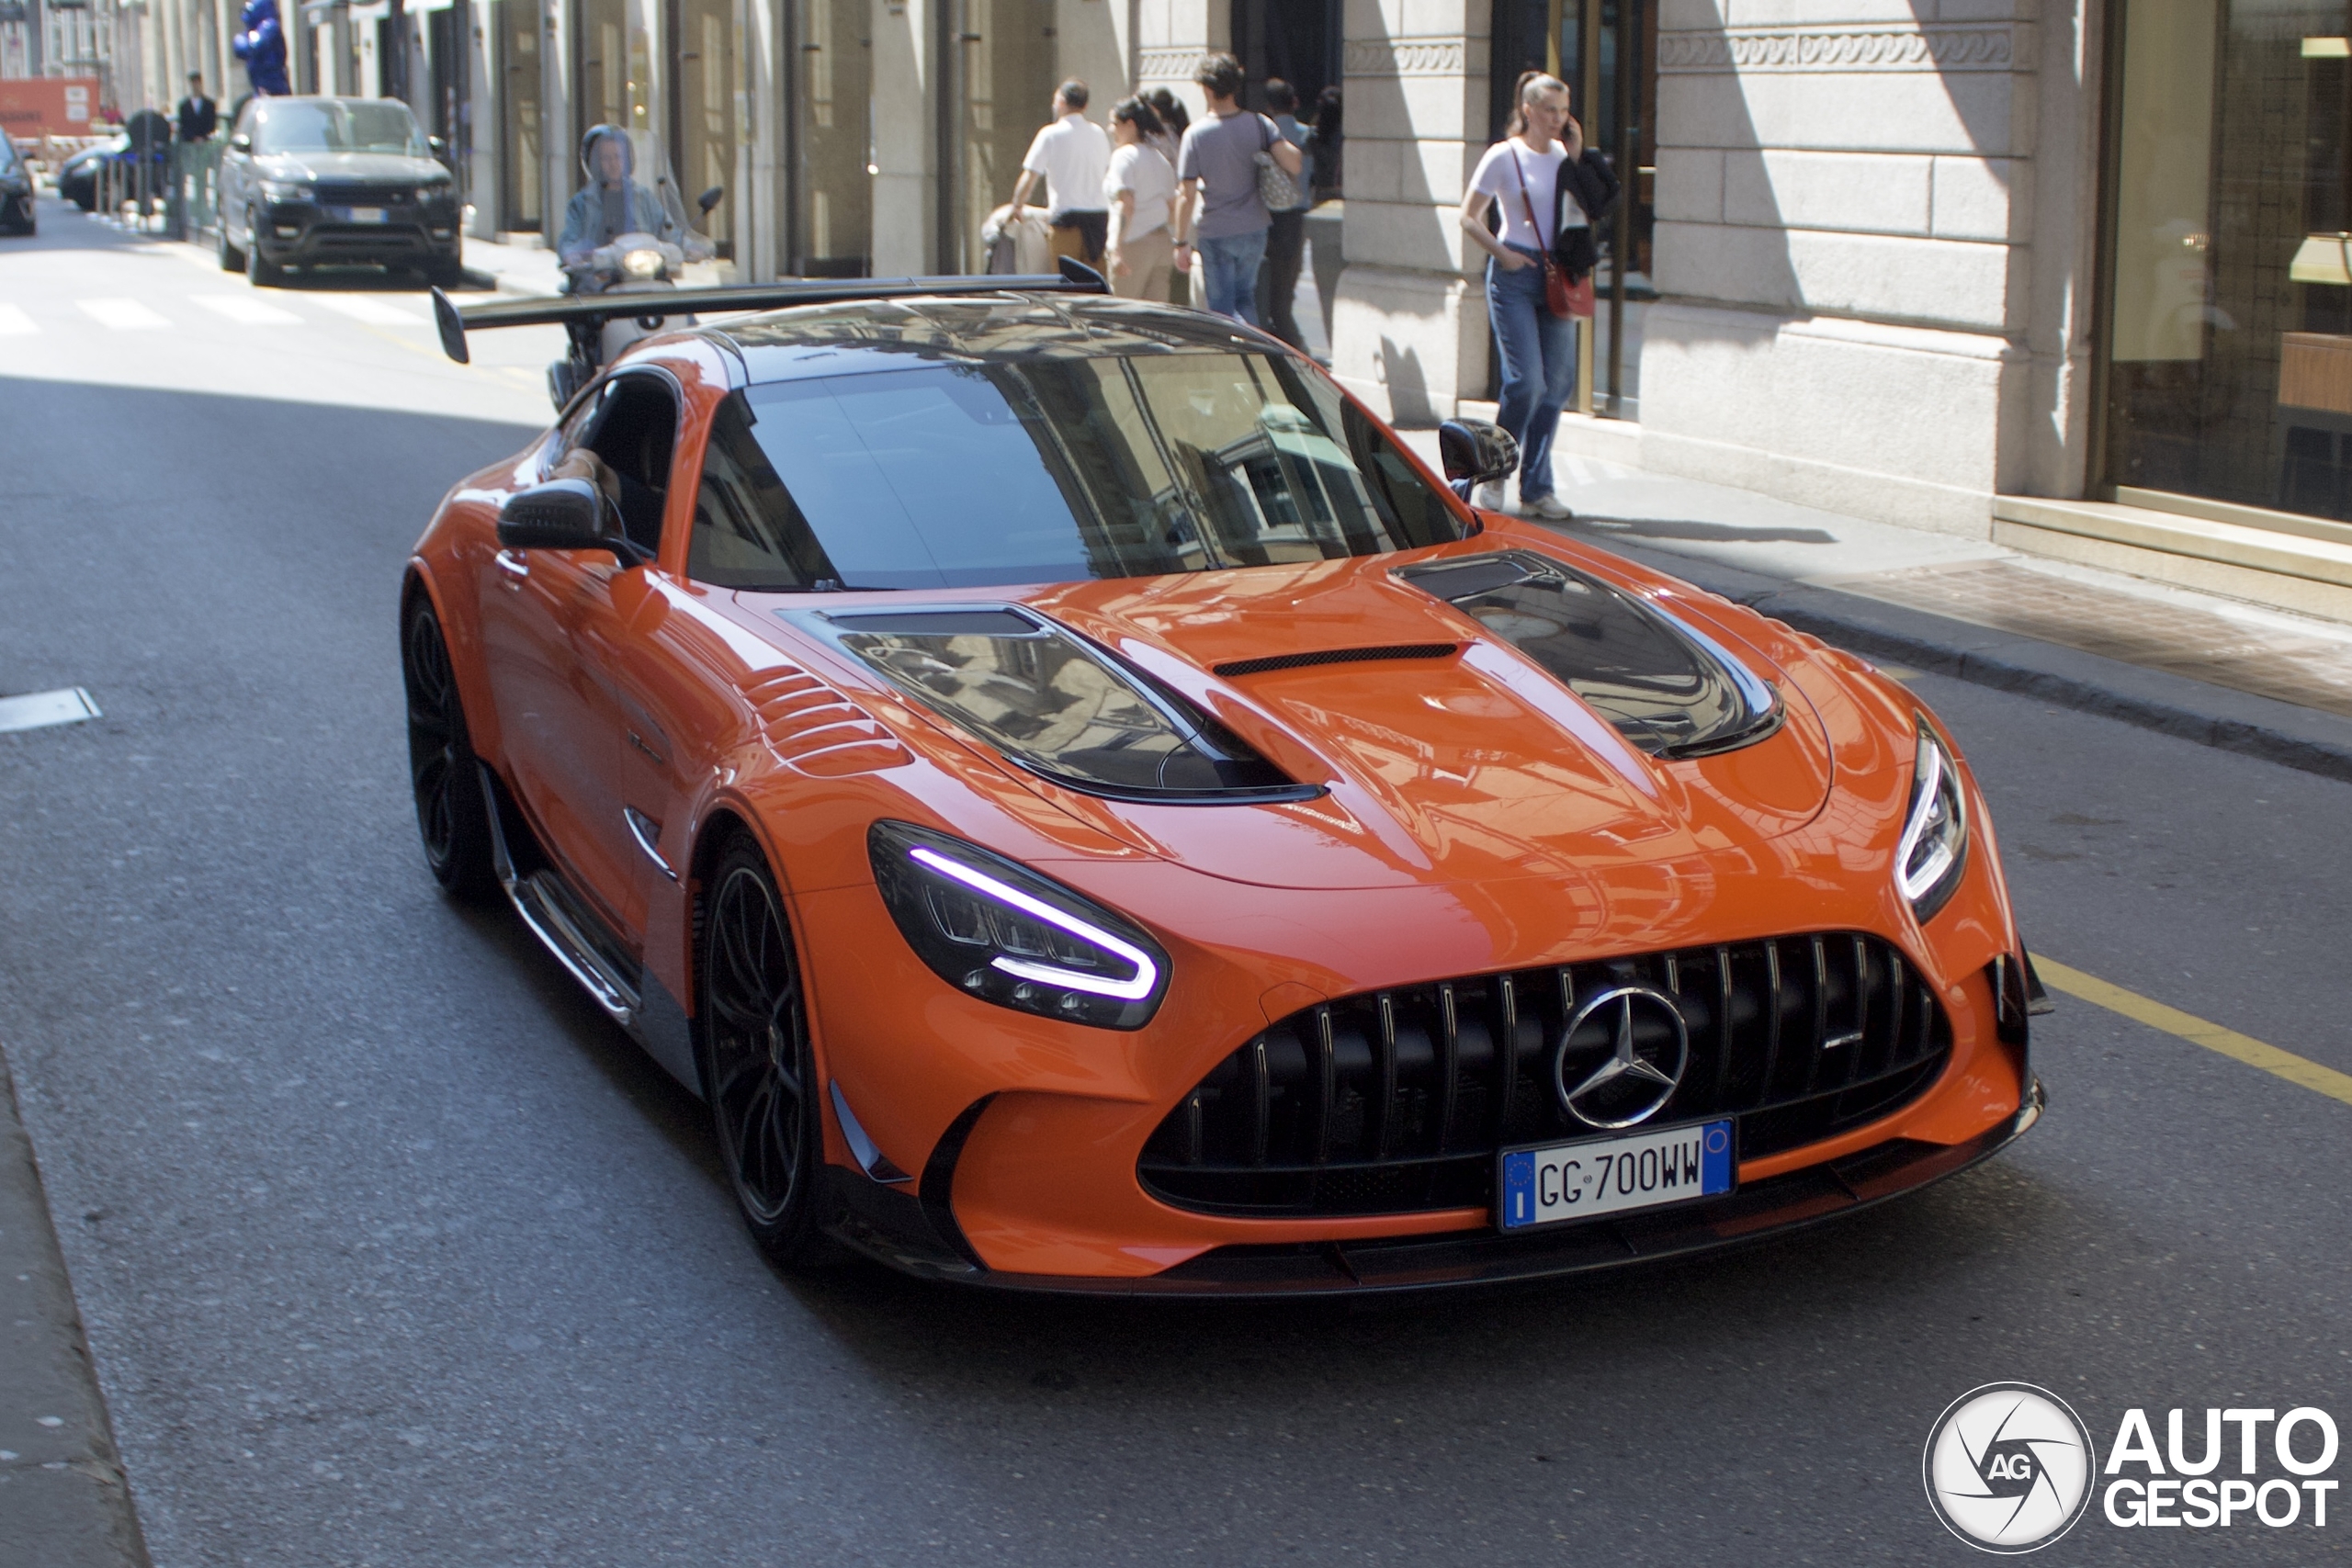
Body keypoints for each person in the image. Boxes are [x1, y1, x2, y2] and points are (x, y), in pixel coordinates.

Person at [1457, 72, 1611, 520]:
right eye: (1548, 110)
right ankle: (1494, 469)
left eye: (1563, 111)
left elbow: (1592, 207)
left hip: (1559, 273)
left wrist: (1579, 154)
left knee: (1557, 385)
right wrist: (1502, 254)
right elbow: (1468, 217)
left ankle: (1538, 487)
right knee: (1527, 381)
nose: (1557, 119)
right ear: (1527, 110)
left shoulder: (1566, 155)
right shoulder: (1504, 156)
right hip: (1515, 273)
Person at [1171, 52, 1301, 325]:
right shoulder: (1260, 123)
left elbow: (1187, 194)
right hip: (1254, 227)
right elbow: (1295, 164)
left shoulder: (1195, 135)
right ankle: (1251, 352)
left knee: (1221, 309)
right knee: (1245, 298)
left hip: (1216, 230)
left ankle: (1232, 359)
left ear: (1206, 88)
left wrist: (1181, 241)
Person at [557, 126, 700, 292]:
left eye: (618, 156)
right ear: (594, 162)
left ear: (628, 159)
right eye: (605, 158)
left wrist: (690, 246)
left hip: (645, 277)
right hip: (599, 284)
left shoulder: (643, 197)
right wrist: (573, 255)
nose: (613, 164)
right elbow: (569, 241)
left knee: (684, 314)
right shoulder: (581, 203)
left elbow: (667, 229)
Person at [1009, 79, 1111, 268]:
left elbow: (1030, 176)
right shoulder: (1099, 133)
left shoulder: (1050, 134)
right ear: (1085, 105)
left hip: (1066, 219)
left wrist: (1017, 205)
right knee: (1095, 283)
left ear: (1062, 102)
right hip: (1098, 219)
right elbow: (1105, 172)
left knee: (1066, 282)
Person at [1253, 78, 1311, 349]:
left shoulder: (1264, 135)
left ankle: (1295, 352)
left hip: (1270, 219)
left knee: (1269, 296)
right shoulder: (1307, 135)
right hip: (1297, 217)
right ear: (1295, 102)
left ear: (1268, 106)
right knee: (1285, 293)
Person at [1102, 97, 1177, 302]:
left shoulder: (1123, 157)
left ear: (1130, 124)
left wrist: (1115, 247)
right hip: (1162, 244)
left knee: (1122, 315)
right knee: (1154, 320)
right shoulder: (1160, 159)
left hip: (1133, 243)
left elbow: (1126, 204)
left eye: (1114, 123)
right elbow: (1172, 208)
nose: (1110, 129)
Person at [231, 0, 290, 97]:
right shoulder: (250, 33)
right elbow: (239, 49)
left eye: (249, 12)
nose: (245, 16)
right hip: (258, 85)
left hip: (275, 86)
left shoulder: (270, 25)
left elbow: (256, 46)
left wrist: (247, 42)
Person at [175, 73, 218, 143]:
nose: (195, 86)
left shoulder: (209, 105)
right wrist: (193, 138)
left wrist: (203, 137)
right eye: (193, 83)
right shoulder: (184, 106)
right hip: (190, 143)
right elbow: (183, 126)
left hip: (206, 142)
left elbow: (212, 124)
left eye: (197, 83)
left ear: (201, 84)